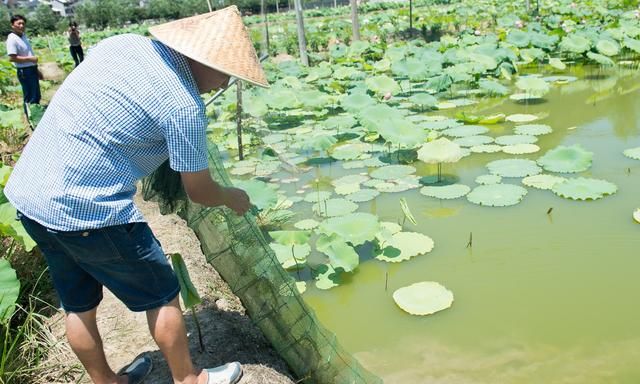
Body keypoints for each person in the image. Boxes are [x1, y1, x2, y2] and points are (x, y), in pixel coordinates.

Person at [4, 6, 268, 384]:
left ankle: (107, 382)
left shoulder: (122, 45)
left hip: (31, 196)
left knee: (77, 305)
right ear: (201, 59)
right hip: (88, 210)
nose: (225, 84)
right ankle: (189, 379)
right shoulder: (183, 106)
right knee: (163, 294)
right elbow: (199, 190)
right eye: (226, 72)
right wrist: (231, 196)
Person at [6, 14, 41, 117]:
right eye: (18, 23)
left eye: (23, 23)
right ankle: (31, 118)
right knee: (30, 96)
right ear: (12, 25)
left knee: (36, 94)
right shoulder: (12, 38)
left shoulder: (23, 36)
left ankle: (36, 115)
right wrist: (30, 59)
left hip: (31, 68)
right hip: (24, 71)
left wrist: (36, 68)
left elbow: (28, 52)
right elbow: (12, 57)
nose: (21, 25)